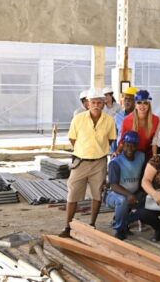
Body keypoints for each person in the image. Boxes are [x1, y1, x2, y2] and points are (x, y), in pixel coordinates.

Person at [60, 88, 116, 237]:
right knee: (73, 194)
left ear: (104, 104)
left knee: (97, 194)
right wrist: (83, 150)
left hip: (99, 162)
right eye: (93, 102)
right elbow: (72, 139)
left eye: (99, 102)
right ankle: (67, 226)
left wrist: (97, 151)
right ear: (88, 104)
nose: (96, 105)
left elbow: (111, 140)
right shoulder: (78, 119)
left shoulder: (109, 120)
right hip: (80, 162)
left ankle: (92, 224)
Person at [105, 131, 146, 240]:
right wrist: (129, 195)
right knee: (123, 201)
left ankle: (125, 223)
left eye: (133, 145)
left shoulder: (141, 157)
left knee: (148, 201)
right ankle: (119, 229)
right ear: (122, 145)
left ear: (137, 146)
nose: (130, 148)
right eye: (127, 145)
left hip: (134, 193)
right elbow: (113, 185)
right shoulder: (115, 162)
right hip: (114, 195)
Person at [114, 90, 158, 161]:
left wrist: (154, 157)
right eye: (139, 103)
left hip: (149, 157)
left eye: (145, 103)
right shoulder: (127, 120)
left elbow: (155, 141)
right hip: (132, 156)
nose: (142, 106)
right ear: (135, 104)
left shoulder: (156, 120)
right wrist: (117, 151)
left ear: (149, 104)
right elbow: (122, 141)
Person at [111, 86, 138, 153]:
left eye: (130, 99)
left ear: (136, 101)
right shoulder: (117, 116)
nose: (127, 101)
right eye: (125, 99)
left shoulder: (140, 116)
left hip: (137, 152)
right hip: (120, 151)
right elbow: (114, 136)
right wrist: (114, 151)